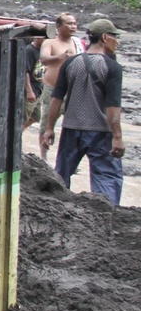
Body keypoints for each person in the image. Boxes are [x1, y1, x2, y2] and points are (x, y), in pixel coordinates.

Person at [39, 19, 126, 206]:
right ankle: (105, 216)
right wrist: (117, 136)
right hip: (101, 131)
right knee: (107, 177)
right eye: (114, 37)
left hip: (71, 129)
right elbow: (113, 107)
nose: (117, 41)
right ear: (104, 37)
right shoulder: (113, 68)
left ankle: (56, 209)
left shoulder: (71, 63)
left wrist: (49, 128)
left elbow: (56, 98)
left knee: (61, 176)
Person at [38, 13, 83, 156]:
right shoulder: (50, 42)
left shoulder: (78, 43)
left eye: (74, 24)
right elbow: (44, 59)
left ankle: (69, 156)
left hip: (73, 90)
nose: (73, 26)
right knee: (46, 123)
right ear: (58, 26)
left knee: (73, 125)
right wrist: (60, 57)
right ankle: (43, 156)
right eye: (69, 24)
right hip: (52, 89)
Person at [21, 37, 42, 131]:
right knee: (23, 118)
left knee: (36, 116)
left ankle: (20, 131)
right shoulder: (30, 50)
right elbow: (25, 72)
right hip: (31, 89)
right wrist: (29, 91)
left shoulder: (44, 50)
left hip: (39, 89)